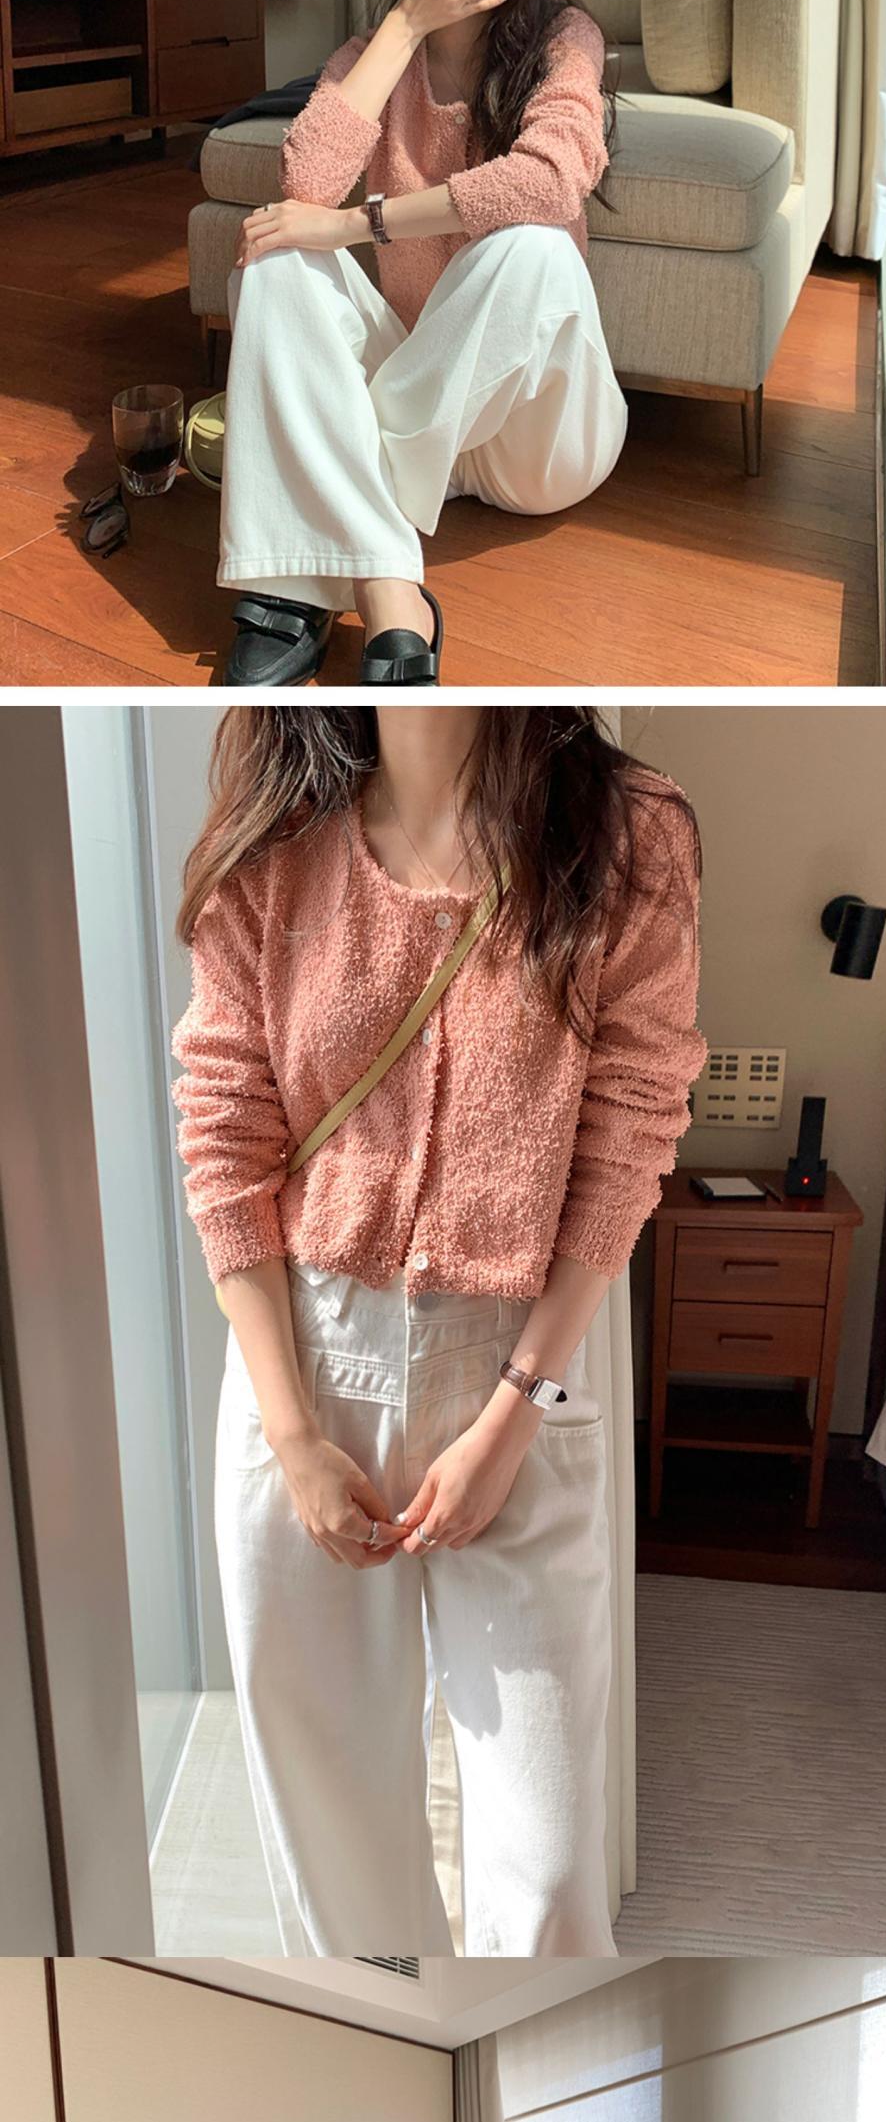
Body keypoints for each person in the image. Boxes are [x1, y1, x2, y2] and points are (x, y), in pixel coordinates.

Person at [172, 699, 705, 1958]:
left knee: (551, 1867)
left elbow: (631, 1131)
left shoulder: (629, 832)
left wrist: (513, 1414)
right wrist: (292, 1438)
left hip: (523, 1366)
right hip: (304, 1368)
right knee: (337, 1854)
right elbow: (224, 1136)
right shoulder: (274, 842)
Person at [216, 0, 629, 689]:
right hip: (420, 408)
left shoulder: (566, 40)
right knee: (274, 250)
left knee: (535, 250)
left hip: (533, 437)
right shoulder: (369, 55)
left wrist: (356, 225)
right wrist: (402, 27)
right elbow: (305, 180)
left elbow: (548, 182)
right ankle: (388, 589)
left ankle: (323, 517)